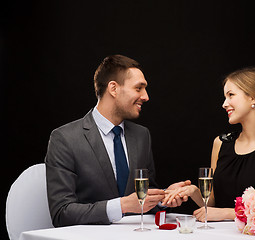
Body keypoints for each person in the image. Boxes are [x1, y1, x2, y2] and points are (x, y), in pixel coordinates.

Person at [45, 54, 189, 227]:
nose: (146, 96)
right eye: (138, 88)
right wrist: (122, 206)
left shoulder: (142, 135)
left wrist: (162, 198)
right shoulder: (65, 139)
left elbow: (143, 195)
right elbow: (62, 213)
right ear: (113, 88)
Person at [163, 67, 255, 222]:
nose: (224, 104)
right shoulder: (220, 143)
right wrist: (193, 191)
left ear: (254, 97)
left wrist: (226, 213)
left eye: (231, 95)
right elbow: (211, 203)